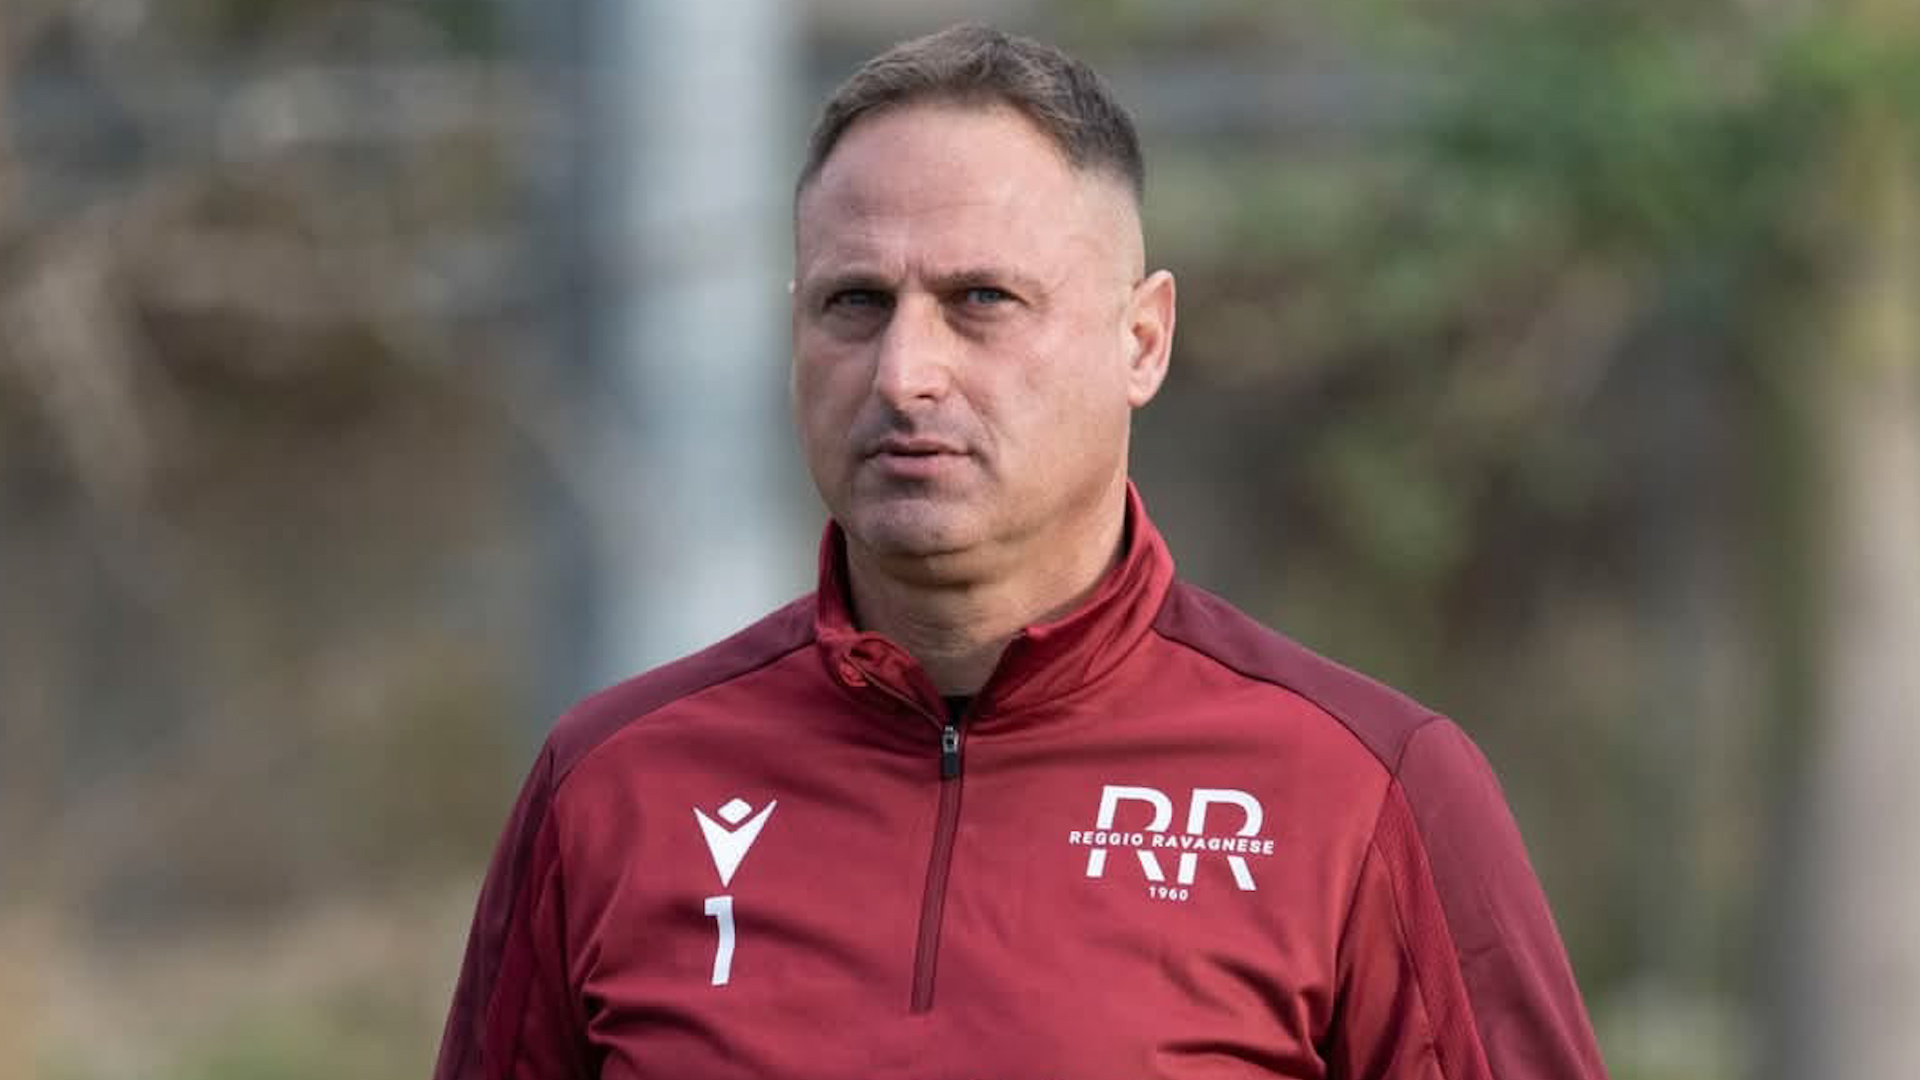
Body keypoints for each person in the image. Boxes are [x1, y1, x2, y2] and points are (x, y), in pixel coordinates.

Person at [435, 24, 1609, 1080]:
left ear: (1141, 340)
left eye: (982, 300)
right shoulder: (612, 787)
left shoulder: (1364, 792)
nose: (906, 374)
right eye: (854, 303)